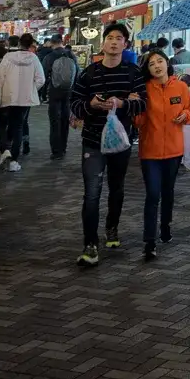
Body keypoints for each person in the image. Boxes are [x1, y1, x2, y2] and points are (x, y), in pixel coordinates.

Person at [70, 23, 147, 268]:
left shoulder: (133, 72)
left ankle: (112, 228)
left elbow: (143, 104)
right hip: (92, 141)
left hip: (121, 142)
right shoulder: (88, 73)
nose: (114, 42)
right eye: (110, 38)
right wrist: (91, 105)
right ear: (103, 43)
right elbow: (74, 104)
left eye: (119, 38)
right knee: (92, 193)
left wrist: (122, 104)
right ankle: (90, 244)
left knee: (116, 188)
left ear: (125, 44)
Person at [134, 49, 190, 261]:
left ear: (167, 63)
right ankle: (149, 242)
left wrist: (185, 115)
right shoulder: (143, 89)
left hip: (174, 151)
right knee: (153, 194)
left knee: (168, 191)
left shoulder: (181, 86)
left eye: (160, 61)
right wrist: (135, 106)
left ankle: (166, 225)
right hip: (150, 151)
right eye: (152, 64)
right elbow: (138, 121)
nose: (157, 66)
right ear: (148, 69)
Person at [0, 34, 45, 172]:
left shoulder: (8, 57)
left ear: (18, 43)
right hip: (24, 100)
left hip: (7, 98)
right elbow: (41, 79)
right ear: (31, 45)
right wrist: (30, 90)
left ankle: (5, 149)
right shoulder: (34, 59)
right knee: (18, 127)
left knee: (3, 124)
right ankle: (14, 161)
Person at [44, 35, 79, 159]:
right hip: (69, 92)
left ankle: (56, 151)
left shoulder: (50, 56)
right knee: (65, 120)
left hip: (54, 91)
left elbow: (45, 74)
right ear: (62, 42)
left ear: (52, 43)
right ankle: (63, 148)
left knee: (54, 122)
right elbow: (77, 74)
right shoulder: (71, 55)